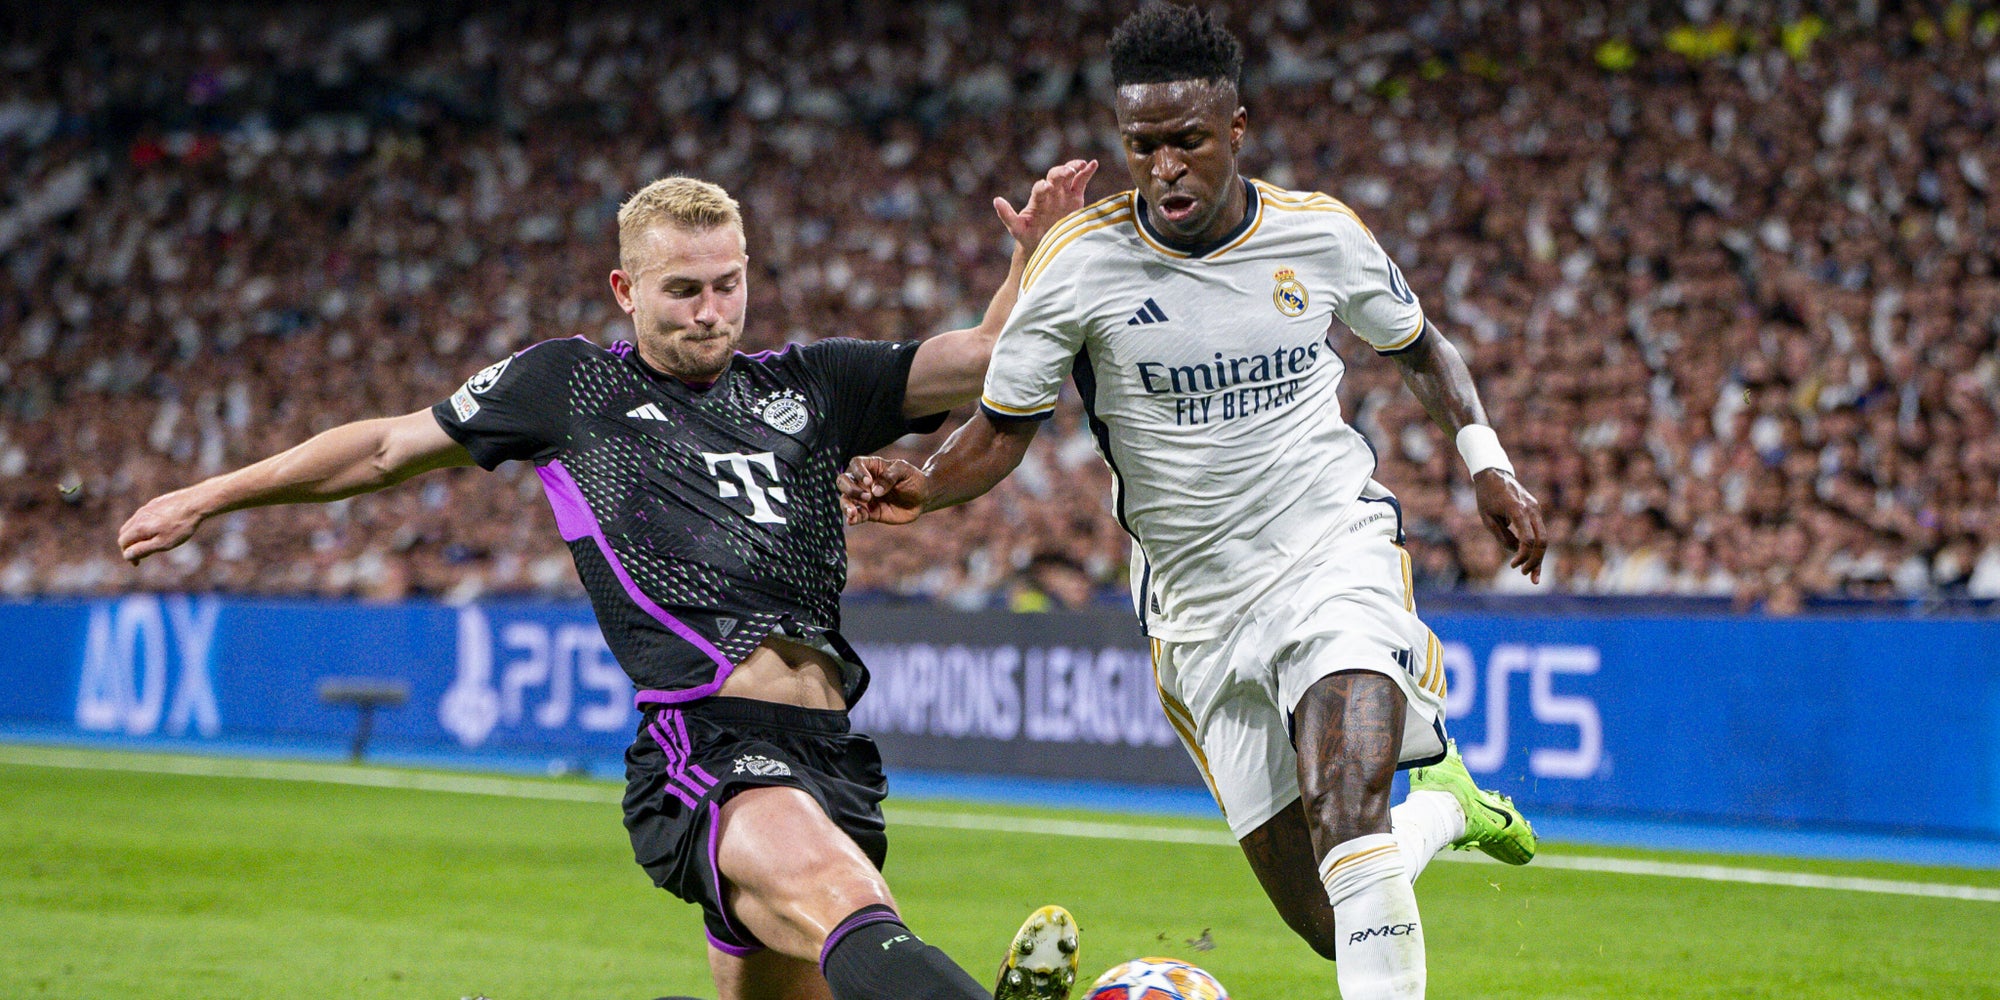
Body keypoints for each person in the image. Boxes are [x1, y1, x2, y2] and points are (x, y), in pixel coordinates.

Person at [117, 161, 1096, 1000]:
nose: (711, 311)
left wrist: (1032, 258)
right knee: (855, 908)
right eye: (683, 291)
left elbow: (982, 360)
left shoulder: (812, 383)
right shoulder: (571, 386)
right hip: (704, 744)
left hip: (832, 751)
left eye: (726, 285)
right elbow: (381, 448)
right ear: (626, 288)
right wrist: (210, 496)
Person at [839, 5, 1548, 999]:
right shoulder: (1078, 263)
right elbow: (999, 427)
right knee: (1329, 917)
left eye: (1186, 142)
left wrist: (1486, 461)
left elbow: (1421, 347)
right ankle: (1443, 806)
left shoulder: (1319, 234)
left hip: (1326, 551)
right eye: (1140, 147)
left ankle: (1414, 803)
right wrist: (924, 483)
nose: (1164, 167)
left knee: (1347, 818)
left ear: (1235, 131)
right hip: (1194, 605)